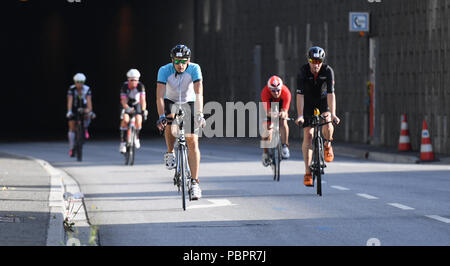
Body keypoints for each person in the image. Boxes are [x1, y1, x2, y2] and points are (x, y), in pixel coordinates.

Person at [156, 44, 206, 200]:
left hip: (189, 101)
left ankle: (195, 183)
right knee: (170, 122)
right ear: (172, 60)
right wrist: (161, 116)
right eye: (177, 61)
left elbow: (198, 93)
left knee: (192, 140)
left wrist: (199, 114)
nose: (180, 65)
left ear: (188, 60)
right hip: (170, 100)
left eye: (183, 61)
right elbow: (159, 96)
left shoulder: (195, 69)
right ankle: (170, 152)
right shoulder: (164, 70)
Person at [295, 46, 340, 186]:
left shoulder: (328, 71)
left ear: (322, 61)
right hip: (308, 103)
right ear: (308, 60)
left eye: (318, 61)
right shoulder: (303, 71)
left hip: (322, 102)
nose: (316, 64)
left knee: (327, 122)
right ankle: (308, 172)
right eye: (313, 61)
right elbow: (300, 95)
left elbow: (331, 94)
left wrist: (333, 114)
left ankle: (328, 144)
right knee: (308, 135)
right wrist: (300, 115)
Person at [260, 75, 292, 166]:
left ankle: (285, 146)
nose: (276, 92)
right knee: (266, 129)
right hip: (269, 108)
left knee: (283, 121)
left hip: (281, 107)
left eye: (278, 90)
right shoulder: (265, 92)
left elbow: (285, 110)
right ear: (269, 89)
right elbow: (267, 110)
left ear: (281, 88)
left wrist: (282, 113)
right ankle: (265, 153)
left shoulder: (286, 92)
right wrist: (272, 114)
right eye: (273, 91)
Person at [66, 73, 95, 157]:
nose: (79, 84)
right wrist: (69, 111)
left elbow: (89, 101)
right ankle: (71, 147)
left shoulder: (87, 89)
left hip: (84, 106)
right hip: (74, 107)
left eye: (81, 82)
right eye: (78, 82)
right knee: (71, 126)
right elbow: (70, 101)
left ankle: (85, 128)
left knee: (88, 114)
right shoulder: (71, 89)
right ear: (75, 82)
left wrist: (90, 111)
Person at [119, 69, 148, 153]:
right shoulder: (124, 86)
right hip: (126, 104)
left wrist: (143, 110)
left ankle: (136, 137)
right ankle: (123, 143)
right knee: (125, 120)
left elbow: (143, 100)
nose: (134, 82)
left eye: (136, 80)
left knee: (139, 120)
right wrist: (127, 109)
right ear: (128, 80)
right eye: (132, 80)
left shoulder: (140, 86)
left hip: (136, 103)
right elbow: (123, 101)